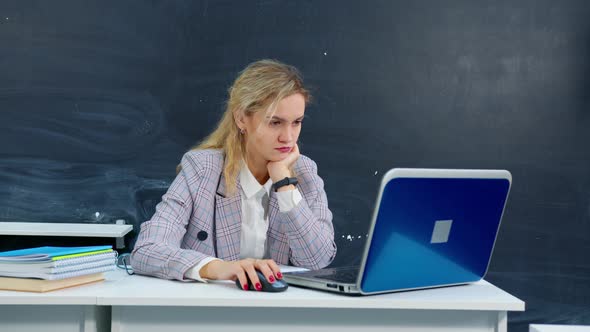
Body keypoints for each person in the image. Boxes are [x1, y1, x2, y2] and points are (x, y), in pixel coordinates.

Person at [131, 59, 336, 291]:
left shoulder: (305, 172)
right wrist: (219, 268)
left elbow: (318, 261)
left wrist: (285, 185)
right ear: (241, 119)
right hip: (210, 313)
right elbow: (146, 251)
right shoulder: (202, 170)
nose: (288, 138)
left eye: (296, 122)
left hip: (281, 314)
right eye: (275, 122)